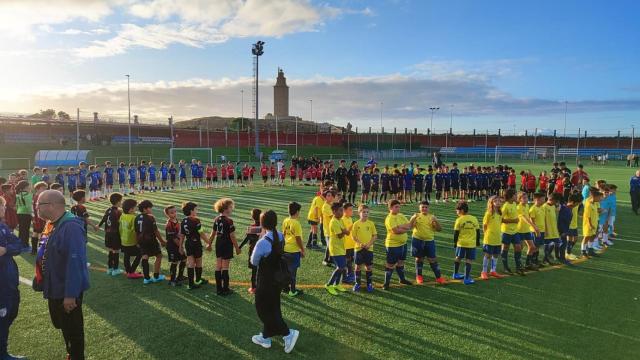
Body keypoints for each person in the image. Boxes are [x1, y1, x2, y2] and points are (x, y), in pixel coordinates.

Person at [37, 190, 90, 360]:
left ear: (51, 205)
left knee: (73, 331)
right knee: (63, 326)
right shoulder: (53, 223)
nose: (36, 207)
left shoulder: (71, 226)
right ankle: (71, 354)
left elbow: (75, 263)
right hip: (55, 286)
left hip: (66, 289)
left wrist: (70, 294)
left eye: (39, 204)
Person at [250, 210, 300, 353]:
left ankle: (288, 334)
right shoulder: (280, 235)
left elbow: (254, 261)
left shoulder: (263, 242)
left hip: (265, 280)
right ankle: (265, 337)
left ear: (262, 223)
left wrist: (260, 239)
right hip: (277, 279)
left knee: (262, 310)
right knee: (273, 308)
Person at [0, 196, 26, 360]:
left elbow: (19, 245)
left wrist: (5, 249)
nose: (3, 208)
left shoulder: (3, 226)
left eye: (2, 205)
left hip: (8, 280)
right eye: (1, 206)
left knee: (10, 312)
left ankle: (3, 351)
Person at [208, 198, 241, 296]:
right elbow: (232, 236)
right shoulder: (229, 221)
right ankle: (225, 289)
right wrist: (237, 248)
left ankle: (218, 289)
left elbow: (213, 233)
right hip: (227, 244)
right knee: (225, 267)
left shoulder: (217, 219)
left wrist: (209, 243)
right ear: (226, 208)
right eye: (231, 207)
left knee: (218, 266)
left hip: (219, 243)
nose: (232, 209)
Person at [409, 201, 445, 284]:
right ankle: (419, 276)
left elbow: (439, 229)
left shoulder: (432, 217)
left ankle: (438, 277)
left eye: (426, 207)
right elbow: (410, 227)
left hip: (429, 241)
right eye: (422, 207)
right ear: (419, 208)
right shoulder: (416, 216)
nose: (424, 209)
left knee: (432, 259)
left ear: (428, 208)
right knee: (419, 258)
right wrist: (412, 219)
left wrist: (436, 222)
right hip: (417, 240)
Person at [383, 199, 414, 290]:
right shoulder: (389, 219)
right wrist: (404, 228)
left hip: (403, 244)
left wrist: (402, 227)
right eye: (396, 207)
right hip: (392, 245)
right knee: (390, 264)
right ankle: (386, 283)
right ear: (390, 208)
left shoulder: (401, 215)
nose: (398, 208)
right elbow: (396, 231)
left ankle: (402, 279)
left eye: (399, 206)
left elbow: (409, 225)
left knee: (401, 262)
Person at [134, 200, 166, 285]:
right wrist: (162, 241)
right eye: (150, 208)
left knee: (145, 256)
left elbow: (136, 232)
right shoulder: (150, 217)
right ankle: (156, 276)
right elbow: (155, 231)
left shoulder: (137, 218)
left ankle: (146, 278)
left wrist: (137, 242)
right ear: (145, 209)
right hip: (150, 240)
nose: (151, 209)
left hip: (141, 240)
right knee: (159, 255)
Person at [181, 202, 208, 290]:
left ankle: (190, 284)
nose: (197, 211)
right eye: (196, 209)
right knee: (198, 262)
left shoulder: (183, 221)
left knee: (190, 263)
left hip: (188, 243)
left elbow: (182, 235)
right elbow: (201, 233)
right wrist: (209, 242)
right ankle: (198, 280)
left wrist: (180, 246)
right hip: (196, 243)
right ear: (191, 211)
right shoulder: (196, 220)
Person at [452, 201, 480, 285]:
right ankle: (467, 278)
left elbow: (456, 233)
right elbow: (478, 232)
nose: (456, 212)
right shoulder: (474, 218)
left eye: (457, 210)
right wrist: (477, 242)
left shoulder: (459, 220)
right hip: (471, 244)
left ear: (462, 210)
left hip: (461, 243)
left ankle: (455, 274)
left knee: (458, 257)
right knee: (469, 260)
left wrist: (455, 243)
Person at [324, 202, 349, 296]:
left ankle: (337, 284)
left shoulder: (340, 220)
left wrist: (344, 231)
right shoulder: (334, 222)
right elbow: (340, 235)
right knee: (341, 267)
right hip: (335, 248)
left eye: (342, 210)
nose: (342, 212)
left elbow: (346, 231)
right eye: (340, 210)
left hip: (341, 247)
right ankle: (329, 284)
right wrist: (344, 231)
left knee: (341, 267)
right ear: (334, 211)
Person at [352, 204, 377, 292]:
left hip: (369, 249)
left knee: (369, 267)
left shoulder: (371, 224)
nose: (365, 214)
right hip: (358, 249)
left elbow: (374, 236)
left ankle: (369, 284)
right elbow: (353, 237)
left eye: (367, 212)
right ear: (359, 213)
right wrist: (360, 244)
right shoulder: (356, 224)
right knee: (357, 267)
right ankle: (357, 283)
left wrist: (369, 244)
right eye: (363, 212)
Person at [282, 202, 305, 297]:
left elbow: (283, 234)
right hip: (293, 251)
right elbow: (298, 238)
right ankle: (293, 290)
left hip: (285, 249)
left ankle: (285, 287)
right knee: (293, 272)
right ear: (297, 212)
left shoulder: (285, 220)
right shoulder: (296, 223)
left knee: (286, 270)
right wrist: (302, 249)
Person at [99, 193, 124, 276]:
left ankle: (109, 268)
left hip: (108, 233)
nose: (121, 202)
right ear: (118, 202)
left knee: (110, 250)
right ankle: (115, 269)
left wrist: (98, 226)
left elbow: (104, 219)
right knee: (116, 251)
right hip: (115, 234)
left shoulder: (108, 210)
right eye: (121, 201)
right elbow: (121, 223)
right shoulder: (118, 211)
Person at [481, 196, 505, 280]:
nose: (498, 202)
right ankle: (484, 271)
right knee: (488, 255)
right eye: (496, 201)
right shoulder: (488, 213)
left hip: (498, 238)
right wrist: (486, 234)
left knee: (495, 254)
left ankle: (493, 270)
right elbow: (484, 225)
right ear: (491, 202)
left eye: (499, 201)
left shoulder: (500, 213)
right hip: (489, 238)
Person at [119, 199, 143, 279]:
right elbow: (135, 231)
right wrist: (138, 242)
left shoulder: (122, 215)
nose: (136, 209)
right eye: (135, 207)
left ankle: (128, 271)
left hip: (123, 240)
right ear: (130, 209)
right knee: (140, 254)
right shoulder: (133, 218)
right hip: (131, 241)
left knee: (127, 255)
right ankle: (131, 272)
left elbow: (120, 228)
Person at [165, 205, 186, 287]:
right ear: (168, 214)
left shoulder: (176, 221)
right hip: (172, 246)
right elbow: (174, 239)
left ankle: (180, 276)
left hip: (178, 245)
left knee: (184, 259)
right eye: (172, 213)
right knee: (175, 262)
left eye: (175, 212)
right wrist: (181, 246)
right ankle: (172, 280)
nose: (174, 214)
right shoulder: (169, 224)